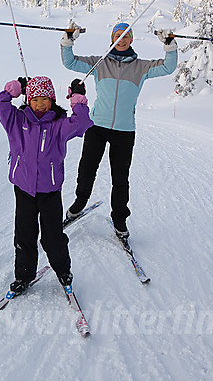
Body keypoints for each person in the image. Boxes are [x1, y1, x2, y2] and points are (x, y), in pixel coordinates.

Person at [61, 22, 178, 237]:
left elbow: (168, 67)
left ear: (131, 39)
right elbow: (69, 62)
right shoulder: (99, 63)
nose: (121, 40)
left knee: (120, 177)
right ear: (112, 38)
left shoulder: (141, 67)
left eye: (126, 36)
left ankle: (119, 220)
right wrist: (69, 40)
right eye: (118, 35)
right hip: (96, 126)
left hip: (124, 131)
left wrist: (169, 45)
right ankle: (79, 204)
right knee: (87, 169)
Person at [0, 75, 93, 293]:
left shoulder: (58, 125)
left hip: (50, 192)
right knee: (24, 235)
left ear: (52, 101)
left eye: (45, 99)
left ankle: (64, 271)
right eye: (35, 99)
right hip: (24, 189)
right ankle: (24, 276)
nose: (39, 104)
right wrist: (14, 89)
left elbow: (83, 122)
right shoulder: (16, 121)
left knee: (52, 237)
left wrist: (78, 98)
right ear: (28, 99)